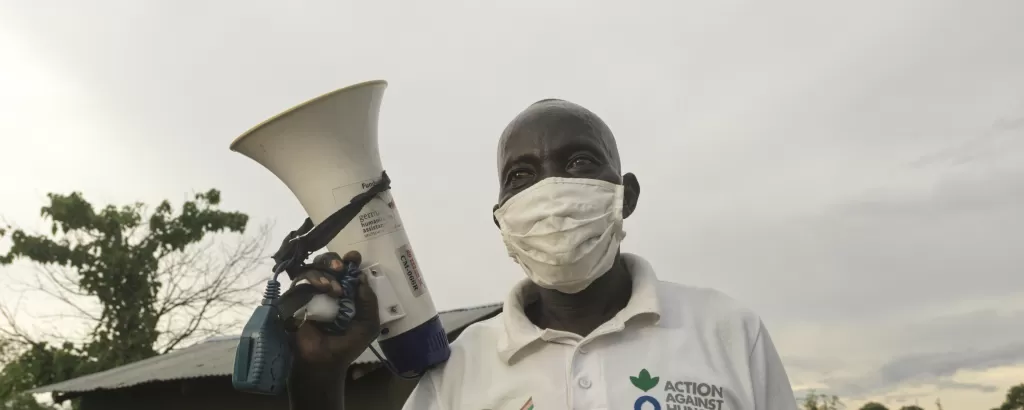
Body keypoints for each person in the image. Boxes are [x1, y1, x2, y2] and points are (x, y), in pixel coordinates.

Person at [285, 99, 798, 410]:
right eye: (521, 175)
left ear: (628, 194)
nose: (551, 189)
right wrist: (319, 377)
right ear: (502, 217)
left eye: (579, 161)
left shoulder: (728, 331)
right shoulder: (462, 367)